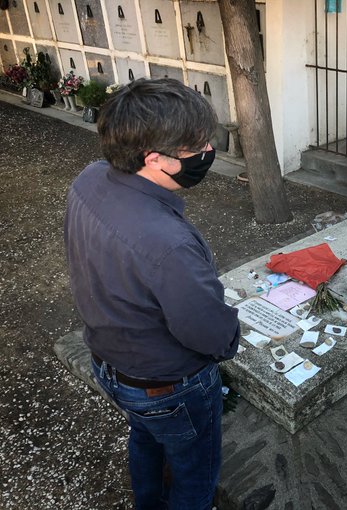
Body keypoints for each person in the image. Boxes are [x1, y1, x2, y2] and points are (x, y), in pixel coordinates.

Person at [64, 78, 241, 509]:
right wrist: (230, 330)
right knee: (194, 477)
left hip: (111, 364)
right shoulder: (170, 243)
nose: (207, 153)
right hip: (168, 386)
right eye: (196, 147)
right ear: (154, 159)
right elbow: (210, 335)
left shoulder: (88, 181)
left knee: (144, 440)